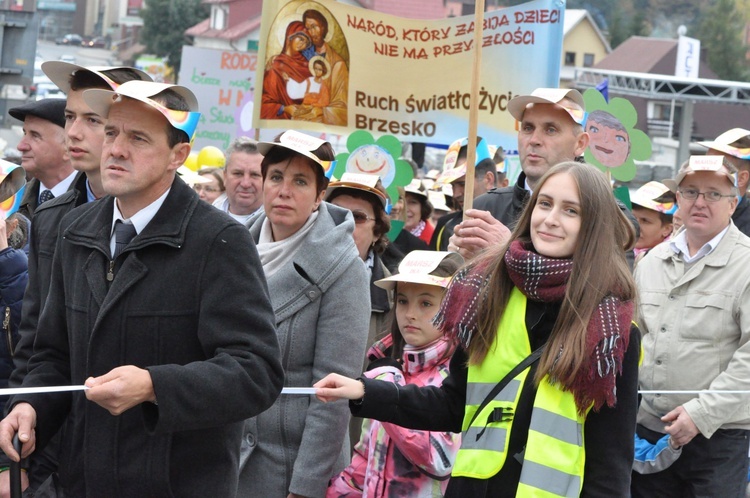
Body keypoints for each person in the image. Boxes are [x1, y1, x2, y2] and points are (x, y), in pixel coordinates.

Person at [0, 80, 284, 496]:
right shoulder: (75, 229)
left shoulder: (219, 240)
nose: (116, 149)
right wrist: (30, 406)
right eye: (112, 132)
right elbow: (52, 353)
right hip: (81, 480)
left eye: (138, 138)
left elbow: (256, 372)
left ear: (178, 155)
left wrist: (155, 386)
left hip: (177, 484)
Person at [316, 161, 641, 497]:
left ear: (594, 226)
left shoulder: (613, 330)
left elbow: (609, 466)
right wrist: (366, 391)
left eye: (571, 210)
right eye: (544, 203)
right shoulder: (487, 295)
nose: (551, 219)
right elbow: (453, 404)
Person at [0, 62, 151, 496]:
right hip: (56, 451)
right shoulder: (52, 218)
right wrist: (17, 451)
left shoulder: (197, 231)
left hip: (143, 454)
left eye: (93, 120)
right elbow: (35, 344)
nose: (76, 133)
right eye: (69, 118)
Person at [239, 130, 370, 498]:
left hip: (291, 466)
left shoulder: (345, 270)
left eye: (300, 181)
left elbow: (333, 394)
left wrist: (306, 487)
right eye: (276, 176)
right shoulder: (232, 249)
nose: (284, 190)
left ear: (319, 196)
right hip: (227, 457)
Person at [631, 155, 750, 497]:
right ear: (678, 200)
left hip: (719, 438)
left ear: (733, 202)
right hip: (650, 432)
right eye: (691, 191)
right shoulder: (653, 261)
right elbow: (635, 340)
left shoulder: (746, 264)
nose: (700, 202)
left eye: (713, 193)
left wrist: (700, 414)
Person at [327, 250, 463, 498]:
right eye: (402, 301)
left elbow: (439, 459)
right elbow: (366, 458)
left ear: (455, 307)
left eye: (426, 303)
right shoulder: (390, 369)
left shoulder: (455, 379)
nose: (410, 314)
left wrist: (386, 386)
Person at [447, 88, 589, 260]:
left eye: (551, 129)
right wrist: (457, 263)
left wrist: (508, 251)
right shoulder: (485, 207)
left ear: (580, 143)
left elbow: (604, 284)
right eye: (528, 128)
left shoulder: (607, 214)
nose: (534, 140)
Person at [325, 172, 393, 447]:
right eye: (335, 213)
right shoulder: (286, 275)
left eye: (359, 217)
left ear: (378, 232)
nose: (345, 223)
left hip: (354, 445)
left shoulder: (395, 301)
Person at [8, 99, 75, 220]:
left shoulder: (94, 200)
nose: (21, 146)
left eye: (35, 135)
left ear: (68, 146)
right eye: (24, 133)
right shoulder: (11, 200)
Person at [430, 136, 497, 251]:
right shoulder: (446, 226)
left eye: (463, 184)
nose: (456, 194)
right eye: (452, 185)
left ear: (488, 179)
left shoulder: (518, 220)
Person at [295, 8, 349, 126]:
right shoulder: (302, 55)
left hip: (320, 122)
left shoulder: (337, 64)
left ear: (323, 27)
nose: (311, 32)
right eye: (307, 28)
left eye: (314, 27)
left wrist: (320, 111)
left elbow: (342, 107)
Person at [697, 128, 750, 236]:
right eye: (707, 162)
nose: (706, 170)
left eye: (717, 165)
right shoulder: (689, 205)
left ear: (741, 178)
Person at [0, 213, 28, 415]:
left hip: (10, 401)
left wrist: (4, 255)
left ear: (11, 227)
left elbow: (26, 330)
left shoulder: (24, 265)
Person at [261, 21, 313, 120]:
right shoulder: (275, 65)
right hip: (283, 120)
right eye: (301, 39)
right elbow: (264, 102)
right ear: (290, 36)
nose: (302, 44)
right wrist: (284, 108)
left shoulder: (308, 65)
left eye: (306, 42)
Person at [213, 137, 264, 224]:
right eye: (238, 173)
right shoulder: (206, 217)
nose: (245, 183)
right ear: (225, 176)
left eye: (254, 175)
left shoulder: (276, 225)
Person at [630, 181, 676, 261]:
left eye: (645, 221)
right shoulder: (616, 250)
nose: (634, 226)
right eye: (632, 217)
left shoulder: (670, 261)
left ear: (667, 229)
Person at [403, 179, 434, 245]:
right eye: (401, 201)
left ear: (423, 207)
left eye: (412, 202)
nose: (405, 208)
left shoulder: (433, 238)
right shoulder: (385, 236)